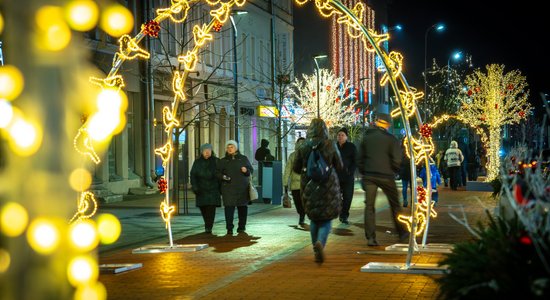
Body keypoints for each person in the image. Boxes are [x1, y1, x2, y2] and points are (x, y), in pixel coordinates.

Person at [292, 118, 343, 263]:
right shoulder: (330, 144)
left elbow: (296, 168)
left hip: (308, 184)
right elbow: (339, 165)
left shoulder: (303, 145)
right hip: (328, 185)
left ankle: (315, 246)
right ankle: (321, 242)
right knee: (326, 219)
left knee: (314, 218)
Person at [357, 113, 408, 246]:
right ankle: (402, 232)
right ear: (386, 124)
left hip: (369, 176)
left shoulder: (366, 138)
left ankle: (371, 238)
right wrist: (394, 170)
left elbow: (360, 158)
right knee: (395, 205)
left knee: (369, 206)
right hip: (386, 175)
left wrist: (364, 172)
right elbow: (397, 159)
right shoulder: (391, 139)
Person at [217, 140, 253, 235]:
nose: (229, 149)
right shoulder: (223, 161)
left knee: (242, 208)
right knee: (229, 209)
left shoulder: (243, 159)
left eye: (231, 147)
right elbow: (217, 173)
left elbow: (250, 171)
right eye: (228, 147)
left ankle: (241, 227)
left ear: (236, 148)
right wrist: (223, 177)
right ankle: (229, 228)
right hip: (228, 188)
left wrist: (246, 170)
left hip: (242, 188)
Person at [190, 143, 221, 233]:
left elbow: (220, 174)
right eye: (205, 151)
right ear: (202, 152)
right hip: (201, 189)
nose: (207, 152)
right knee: (203, 208)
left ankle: (208, 226)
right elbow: (193, 175)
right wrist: (195, 187)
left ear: (211, 151)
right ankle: (207, 224)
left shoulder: (216, 161)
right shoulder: (197, 162)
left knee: (211, 209)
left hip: (213, 189)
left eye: (209, 150)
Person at [336, 127, 357, 225]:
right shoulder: (334, 147)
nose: (340, 137)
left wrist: (350, 171)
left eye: (342, 135)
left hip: (348, 177)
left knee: (348, 197)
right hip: (336, 177)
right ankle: (340, 212)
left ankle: (344, 215)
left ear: (346, 137)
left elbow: (355, 161)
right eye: (339, 135)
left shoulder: (351, 147)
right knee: (337, 197)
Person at [283, 137, 307, 226]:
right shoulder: (292, 156)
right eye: (299, 143)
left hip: (306, 184)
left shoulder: (309, 155)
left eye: (303, 143)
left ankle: (302, 215)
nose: (301, 145)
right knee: (297, 202)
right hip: (295, 184)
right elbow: (287, 169)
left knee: (304, 201)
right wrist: (285, 182)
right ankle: (301, 213)